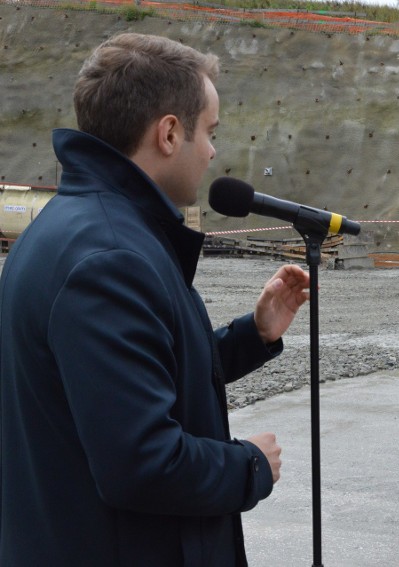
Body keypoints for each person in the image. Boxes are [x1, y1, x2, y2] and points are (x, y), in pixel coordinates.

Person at [0, 34, 311, 566]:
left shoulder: (82, 228)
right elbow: (141, 463)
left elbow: (134, 379)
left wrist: (251, 336)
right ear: (169, 132)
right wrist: (249, 466)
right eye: (210, 132)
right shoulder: (110, 256)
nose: (213, 151)